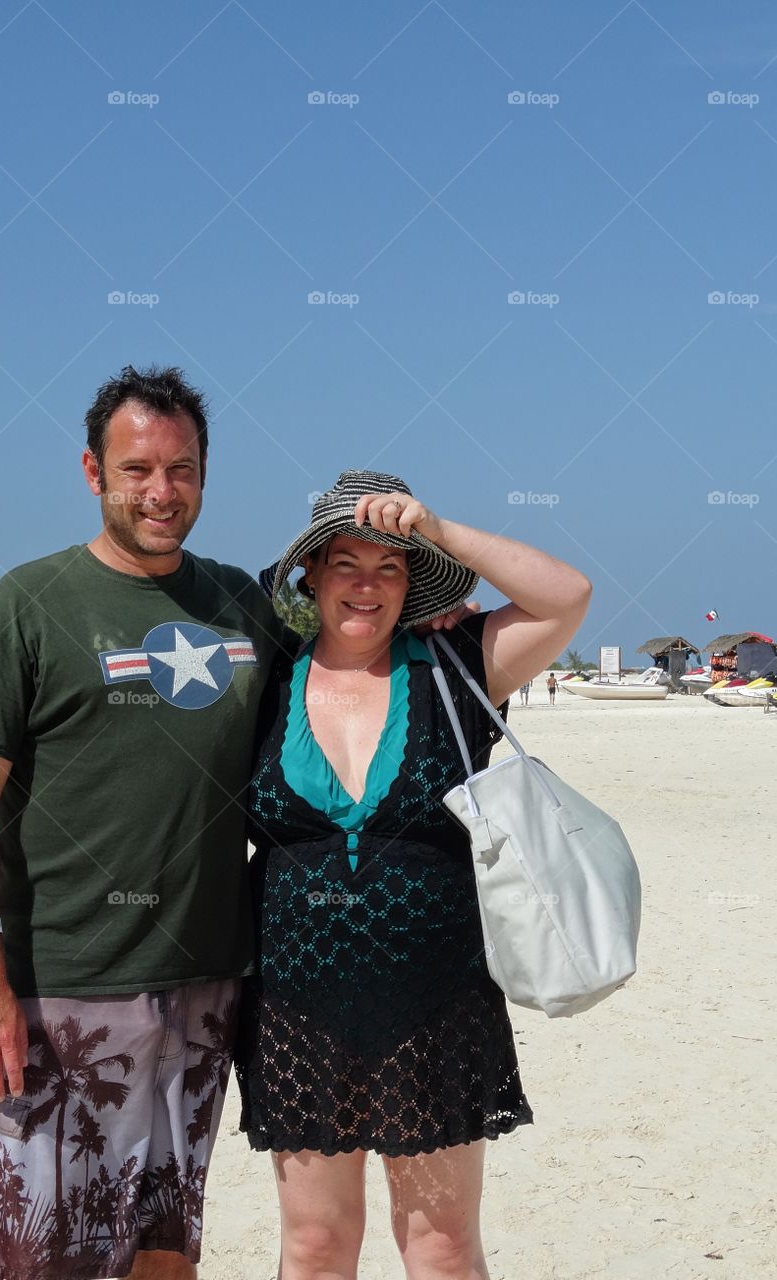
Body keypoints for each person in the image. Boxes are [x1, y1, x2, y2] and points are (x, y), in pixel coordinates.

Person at [0, 366, 298, 1280]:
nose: (160, 492)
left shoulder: (241, 607)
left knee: (163, 1246)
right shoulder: (30, 603)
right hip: (61, 989)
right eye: (137, 469)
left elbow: (347, 668)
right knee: (35, 1255)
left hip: (206, 985)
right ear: (92, 473)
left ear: (205, 474)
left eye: (181, 469)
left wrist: (433, 606)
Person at [234, 470, 591, 1280]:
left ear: (413, 581)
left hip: (437, 1004)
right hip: (297, 1009)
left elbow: (564, 596)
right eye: (346, 564)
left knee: (441, 1246)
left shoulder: (454, 669)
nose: (365, 586)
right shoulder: (262, 680)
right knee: (315, 1246)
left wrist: (438, 528)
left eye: (390, 567)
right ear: (311, 575)